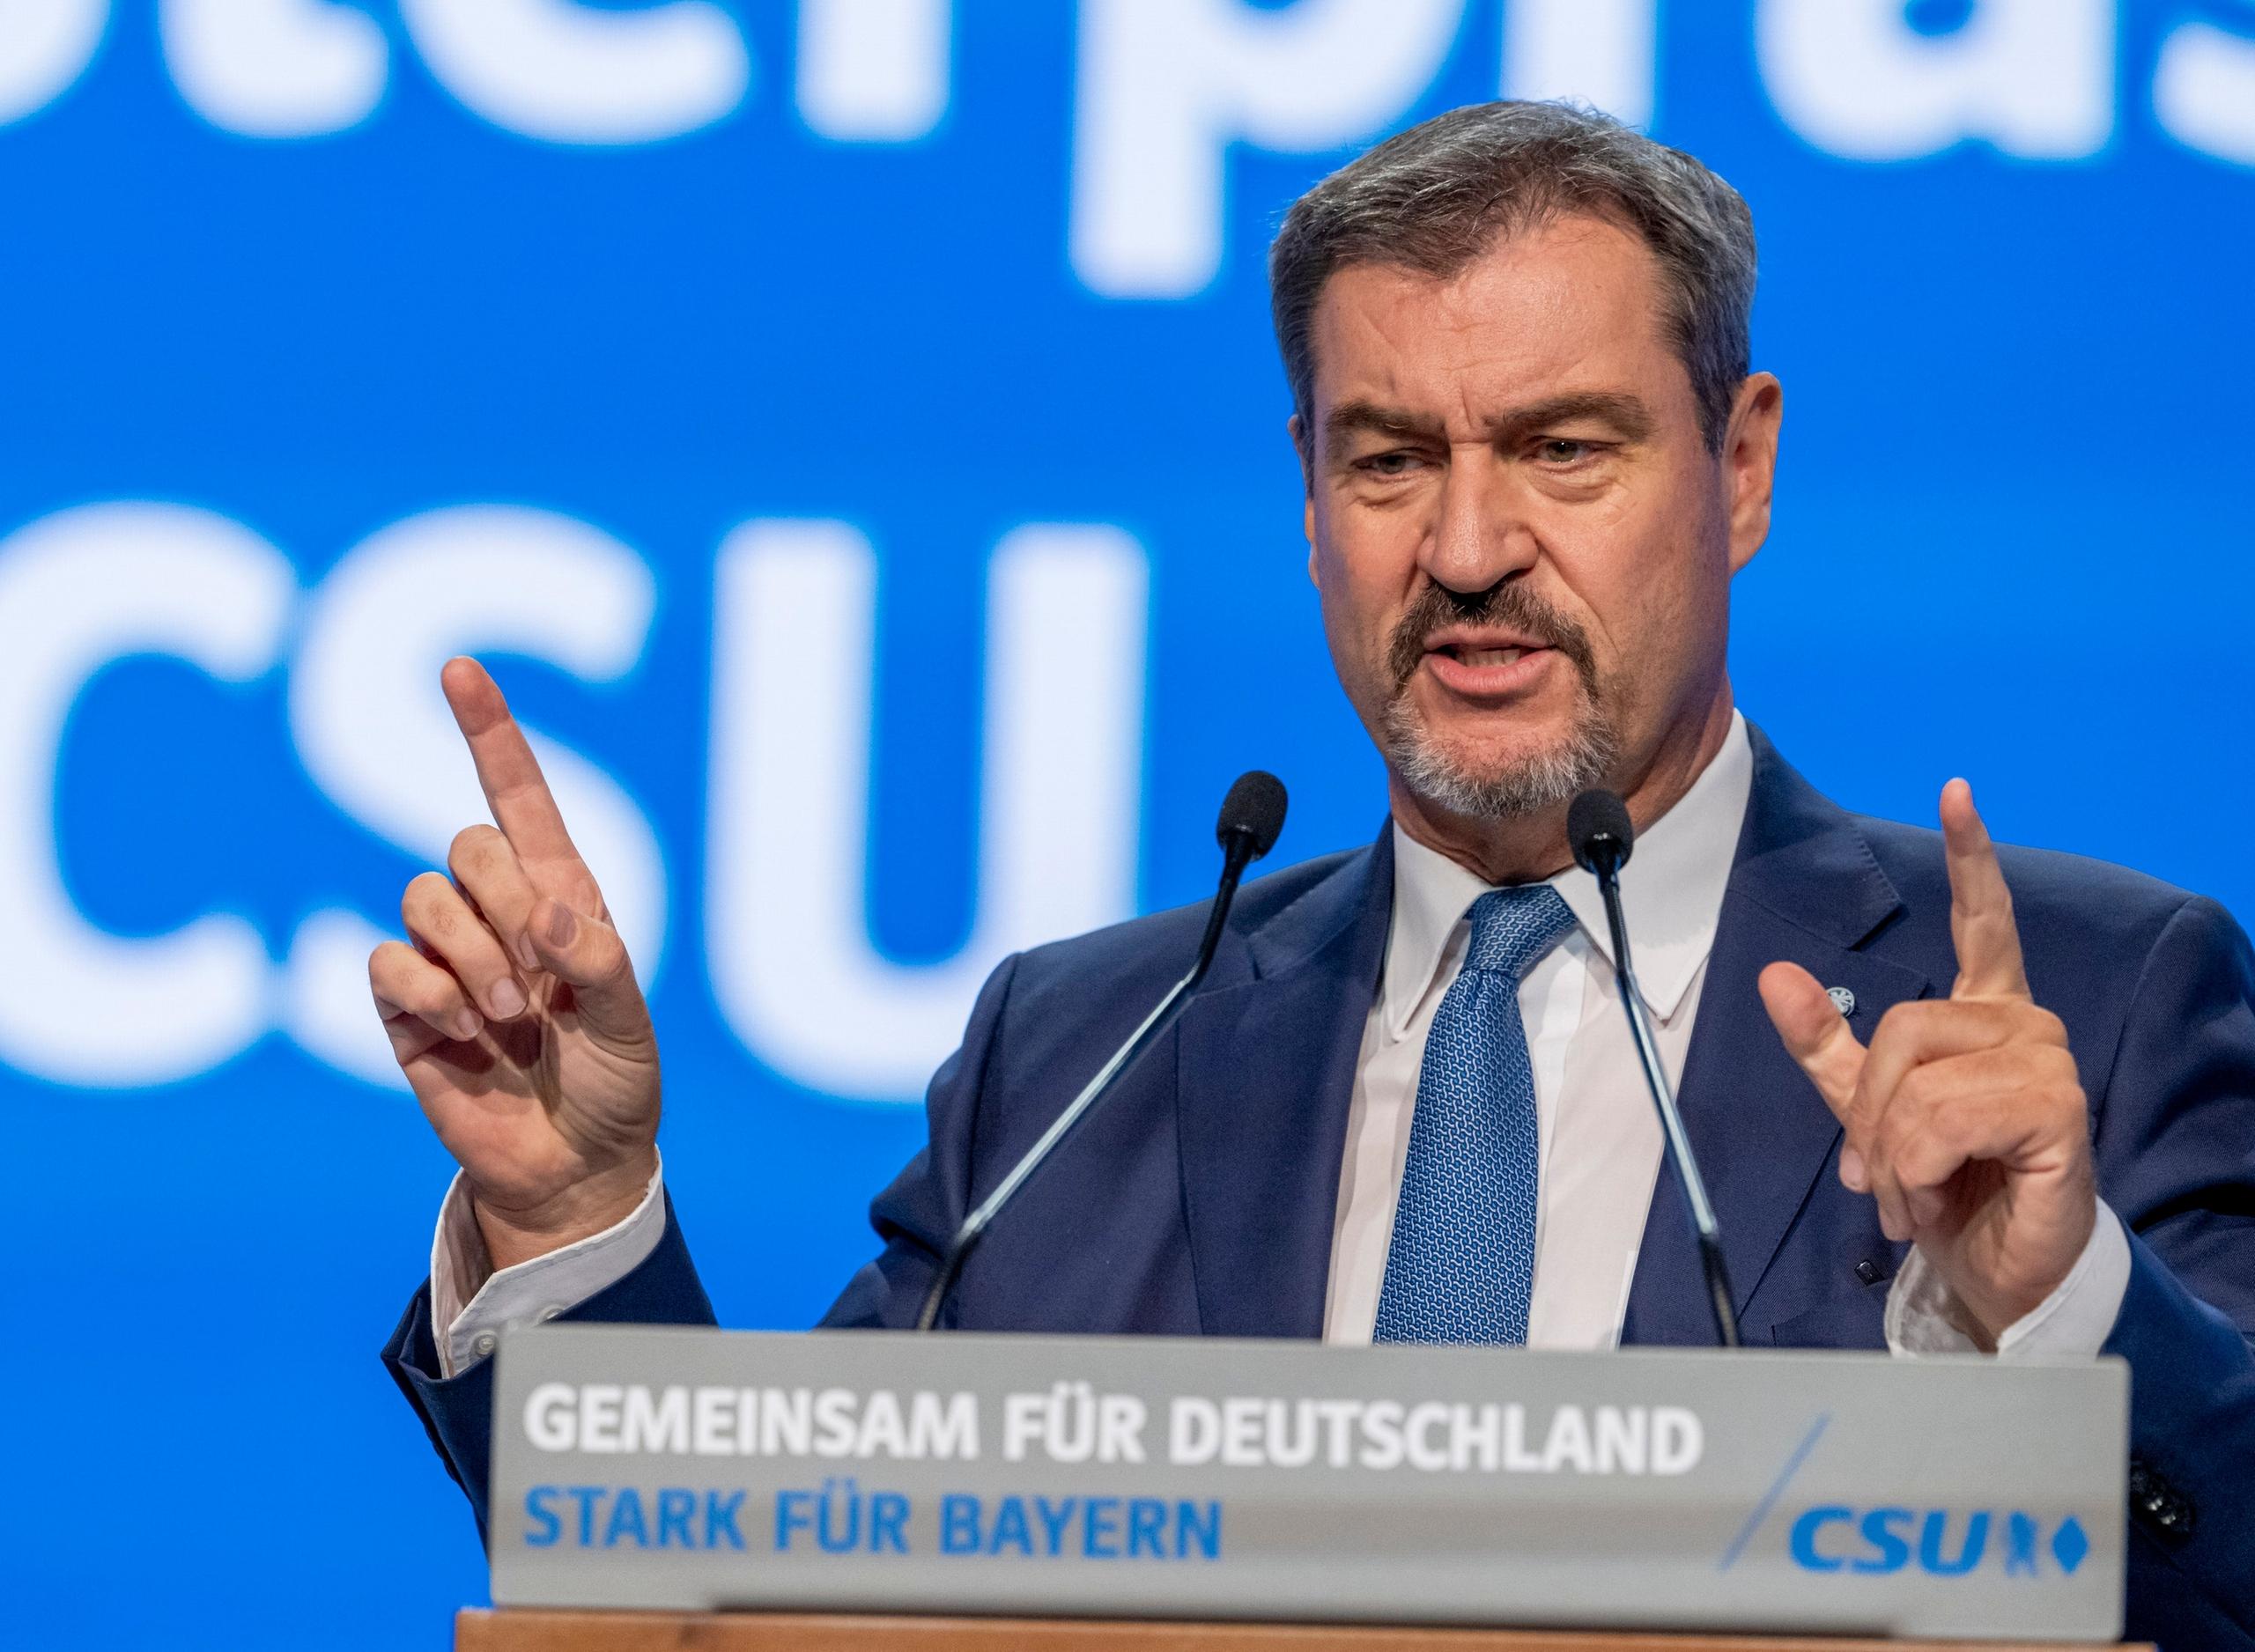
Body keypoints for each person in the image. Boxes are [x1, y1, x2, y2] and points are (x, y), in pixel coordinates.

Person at [375, 103, 2253, 1646]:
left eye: (1562, 449)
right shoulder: (1076, 1056)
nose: (1466, 545)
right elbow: (741, 1593)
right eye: (1387, 460)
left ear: (1740, 467)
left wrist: (2059, 1311)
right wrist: (575, 1216)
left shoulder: (2088, 1010)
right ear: (1305, 487)